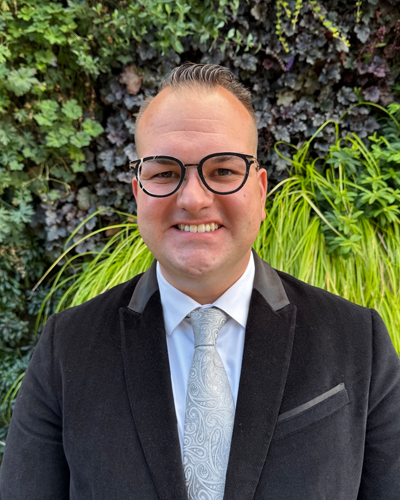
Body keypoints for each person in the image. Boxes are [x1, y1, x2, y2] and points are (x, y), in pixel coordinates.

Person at [1, 63, 400, 500]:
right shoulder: (67, 348)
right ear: (138, 194)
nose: (193, 199)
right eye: (164, 173)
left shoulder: (357, 340)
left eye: (223, 171)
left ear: (260, 192)